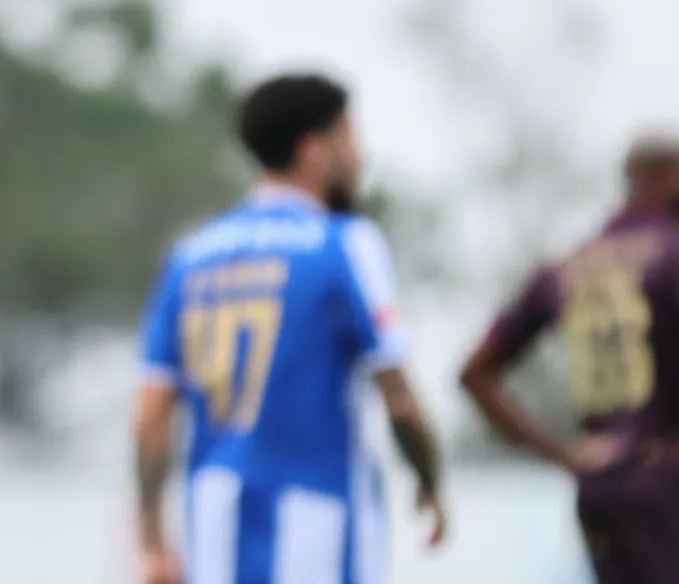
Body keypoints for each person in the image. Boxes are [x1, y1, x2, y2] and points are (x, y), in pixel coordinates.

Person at [133, 73, 447, 584]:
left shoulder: (189, 258)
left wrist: (151, 543)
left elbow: (150, 417)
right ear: (312, 150)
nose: (360, 158)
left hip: (211, 532)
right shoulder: (345, 244)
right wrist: (430, 480)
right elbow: (399, 397)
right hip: (316, 527)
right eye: (349, 138)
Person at [459, 133, 679, 584]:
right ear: (673, 178)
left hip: (597, 485)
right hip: (667, 471)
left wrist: (558, 454)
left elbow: (475, 374)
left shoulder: (567, 264)